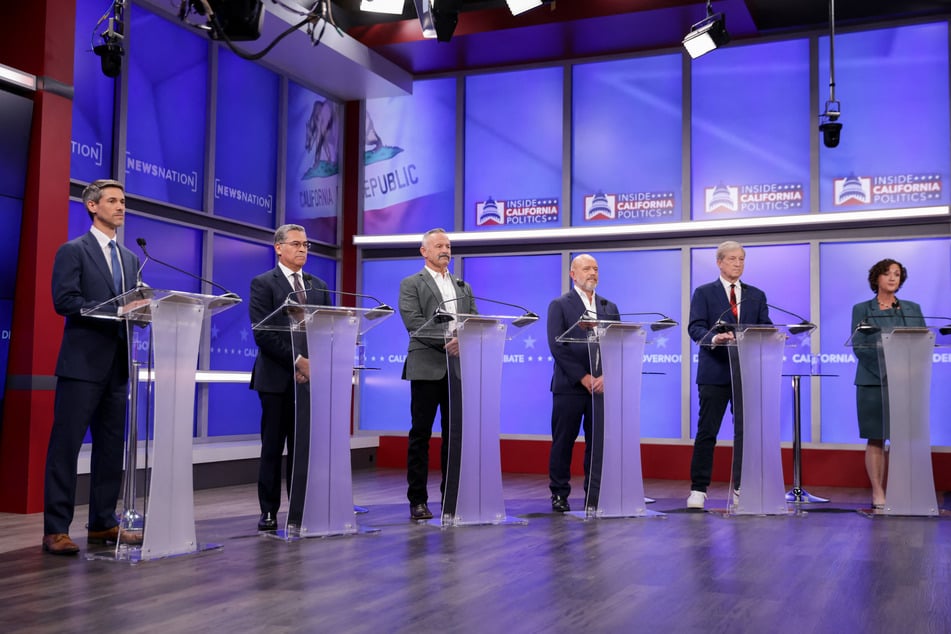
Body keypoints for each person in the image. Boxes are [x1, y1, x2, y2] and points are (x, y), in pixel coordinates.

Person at [43, 179, 144, 554]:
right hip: (81, 366)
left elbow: (132, 307)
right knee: (65, 449)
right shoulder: (73, 251)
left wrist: (144, 311)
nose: (120, 207)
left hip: (117, 367)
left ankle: (103, 523)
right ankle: (55, 529)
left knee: (110, 449)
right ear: (92, 206)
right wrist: (118, 311)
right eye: (113, 201)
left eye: (123, 201)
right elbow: (65, 301)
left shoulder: (130, 258)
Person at [249, 224, 330, 531]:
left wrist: (316, 364)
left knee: (303, 448)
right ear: (278, 248)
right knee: (272, 447)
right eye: (296, 244)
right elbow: (263, 332)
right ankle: (268, 511)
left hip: (310, 381)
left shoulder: (318, 285)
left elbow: (327, 329)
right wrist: (299, 362)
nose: (303, 249)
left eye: (306, 244)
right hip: (276, 379)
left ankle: (302, 507)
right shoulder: (263, 283)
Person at [398, 228, 477, 521]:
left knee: (455, 436)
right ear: (424, 251)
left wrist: (465, 339)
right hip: (427, 367)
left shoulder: (462, 286)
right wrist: (449, 340)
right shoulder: (411, 284)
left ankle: (452, 498)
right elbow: (414, 323)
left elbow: (473, 320)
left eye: (448, 245)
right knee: (420, 435)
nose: (445, 249)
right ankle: (417, 500)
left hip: (457, 369)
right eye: (439, 245)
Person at [686, 241, 771, 510]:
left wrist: (767, 335)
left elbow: (766, 328)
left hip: (746, 374)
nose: (738, 264)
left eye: (741, 259)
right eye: (732, 259)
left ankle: (741, 488)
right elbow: (695, 327)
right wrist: (715, 338)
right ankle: (698, 490)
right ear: (720, 262)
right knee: (707, 432)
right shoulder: (704, 293)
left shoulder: (756, 295)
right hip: (714, 372)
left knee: (745, 434)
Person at [546, 254, 620, 513]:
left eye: (596, 269)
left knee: (598, 442)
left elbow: (618, 344)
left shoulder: (609, 307)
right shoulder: (560, 304)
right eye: (586, 268)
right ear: (573, 274)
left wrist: (607, 375)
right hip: (570, 387)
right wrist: (584, 377)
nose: (592, 273)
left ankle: (595, 493)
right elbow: (557, 345)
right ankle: (559, 493)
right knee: (563, 441)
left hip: (601, 387)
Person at [850, 258, 924, 509]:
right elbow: (860, 345)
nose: (893, 278)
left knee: (904, 437)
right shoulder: (862, 309)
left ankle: (903, 490)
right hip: (874, 381)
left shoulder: (913, 308)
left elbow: (922, 342)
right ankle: (878, 492)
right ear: (876, 278)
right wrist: (888, 370)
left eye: (897, 274)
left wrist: (906, 370)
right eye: (887, 273)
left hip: (907, 381)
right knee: (876, 437)